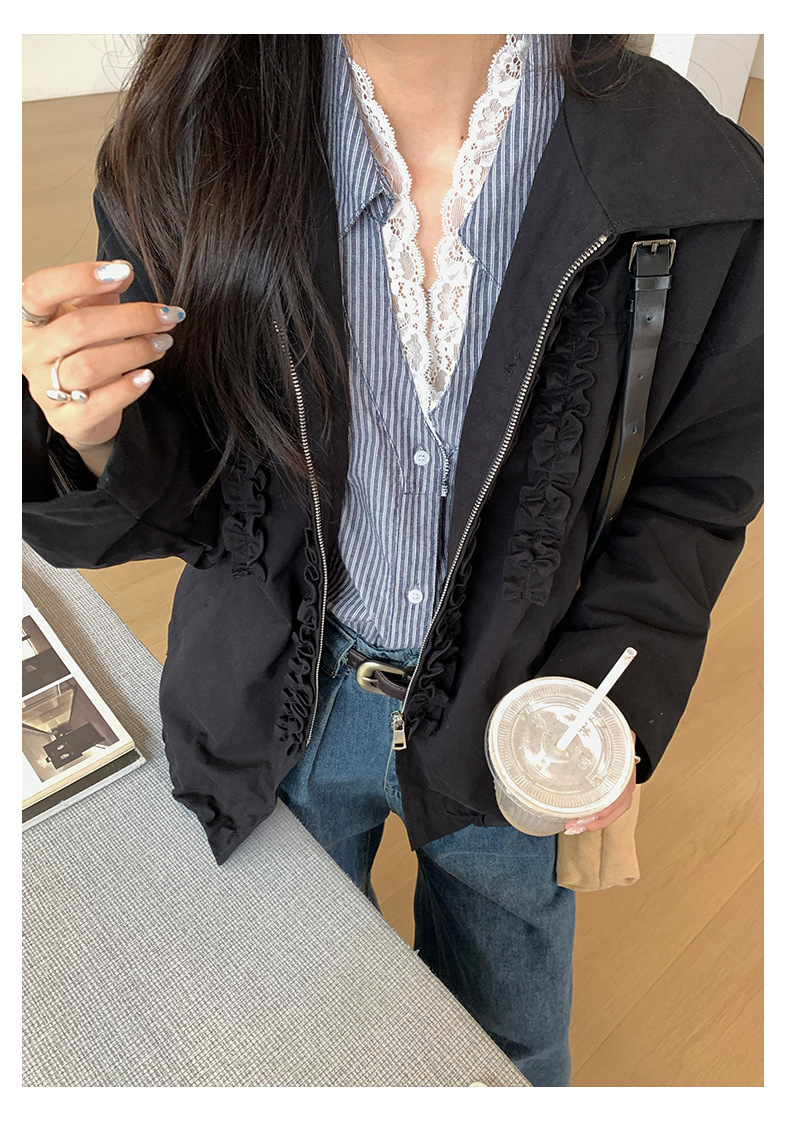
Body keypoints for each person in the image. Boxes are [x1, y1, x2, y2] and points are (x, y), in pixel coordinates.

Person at [22, 34, 763, 1087]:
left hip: (516, 709)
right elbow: (190, 490)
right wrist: (88, 436)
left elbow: (696, 488)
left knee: (510, 1038)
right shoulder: (189, 138)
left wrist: (606, 696)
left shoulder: (696, 180)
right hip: (273, 707)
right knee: (303, 1021)